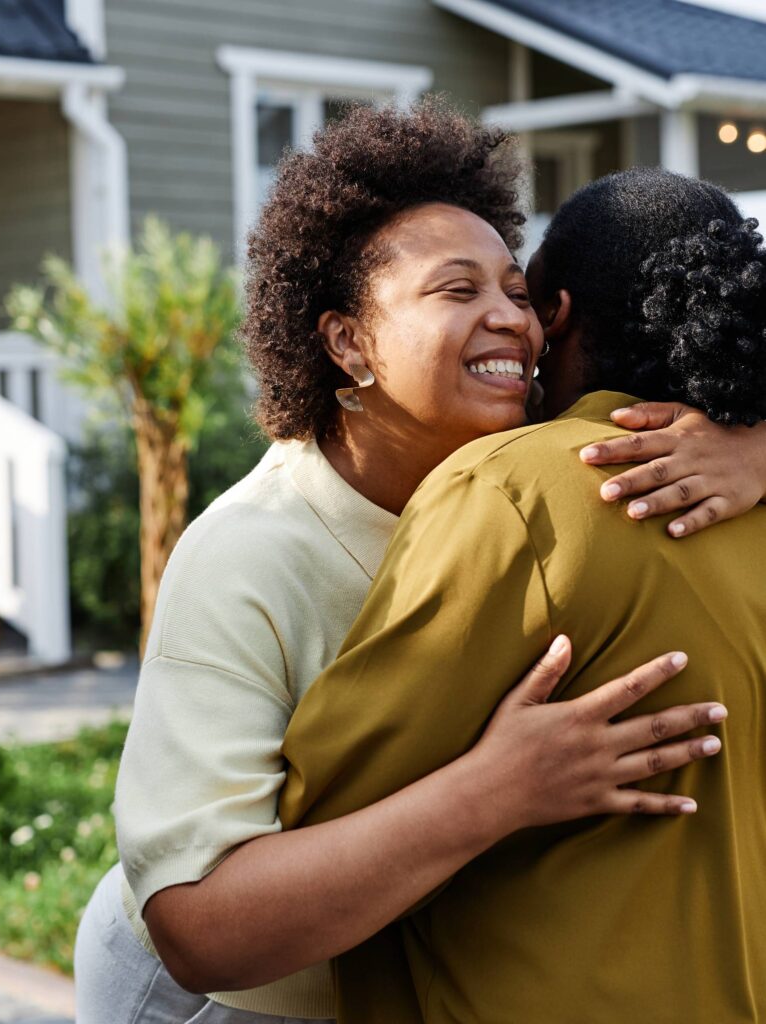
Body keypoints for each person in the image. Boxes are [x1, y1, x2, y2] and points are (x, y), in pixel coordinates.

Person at [74, 103, 766, 1024]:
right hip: (232, 1000)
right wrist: (497, 790)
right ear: (347, 342)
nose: (511, 323)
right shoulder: (246, 551)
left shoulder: (615, 478)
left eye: (519, 294)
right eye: (456, 291)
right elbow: (200, 930)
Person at [278, 168, 766, 1022]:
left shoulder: (518, 488)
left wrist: (493, 787)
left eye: (523, 296)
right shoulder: (747, 493)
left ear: (561, 315)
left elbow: (322, 808)